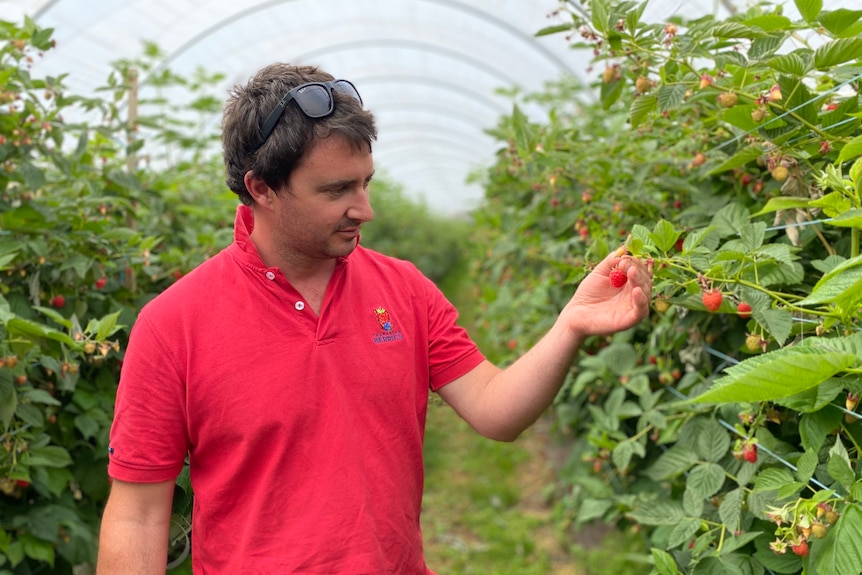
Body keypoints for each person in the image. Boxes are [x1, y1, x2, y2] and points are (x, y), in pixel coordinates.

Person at [96, 62, 652, 574]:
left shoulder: (404, 289)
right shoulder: (174, 325)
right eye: (337, 190)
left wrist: (571, 323)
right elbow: (138, 514)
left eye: (365, 182)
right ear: (261, 189)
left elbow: (496, 410)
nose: (364, 208)